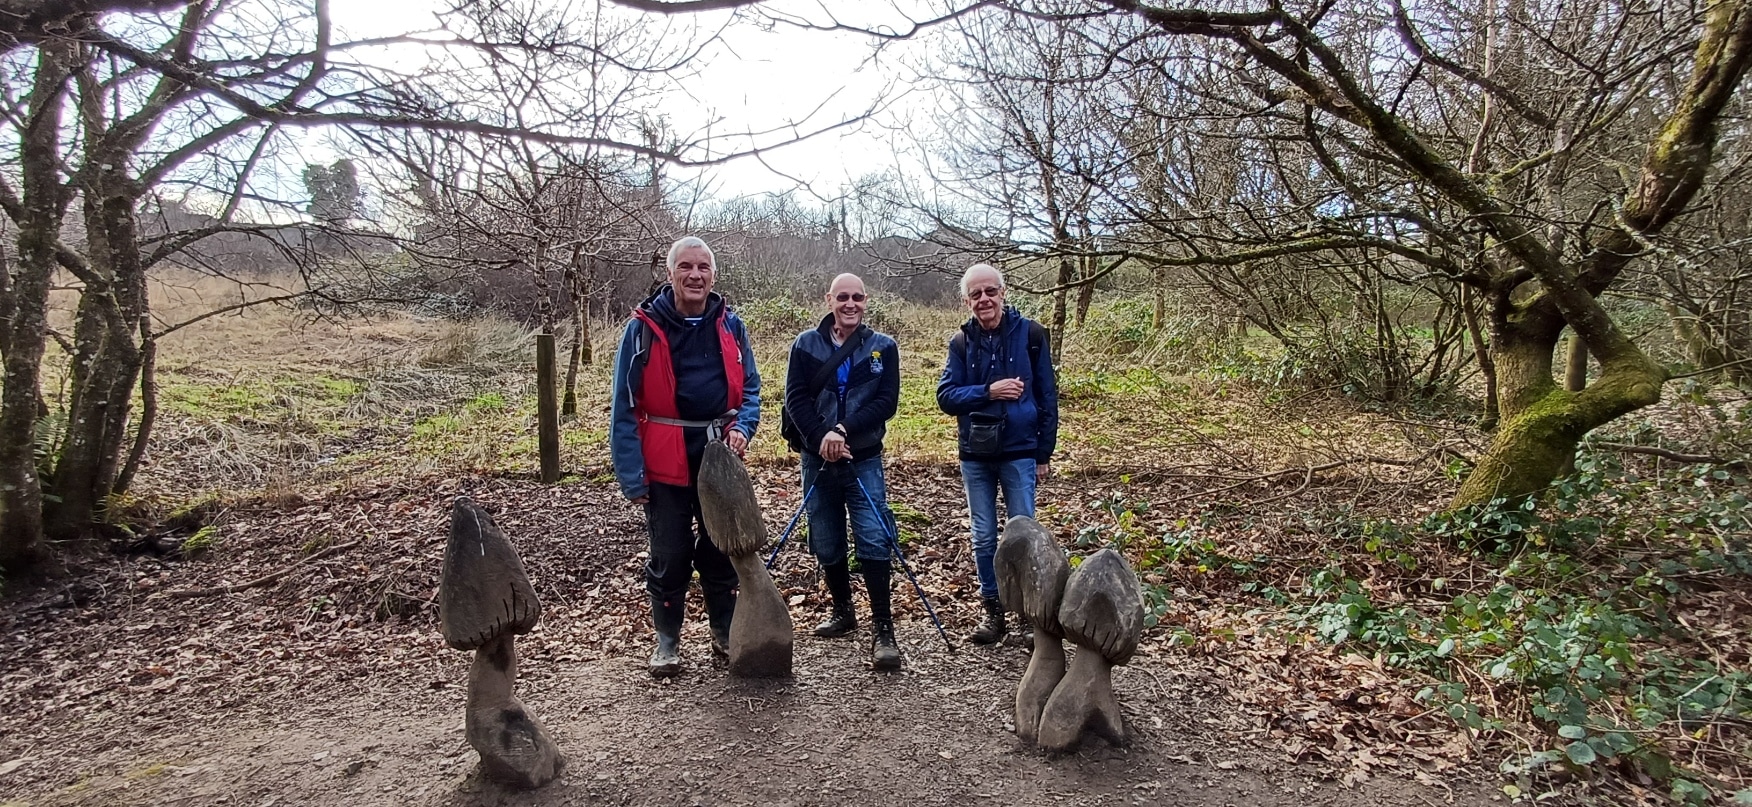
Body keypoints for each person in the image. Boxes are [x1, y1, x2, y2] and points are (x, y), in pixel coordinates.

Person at [610, 236, 762, 678]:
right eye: (686, 267)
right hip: (664, 458)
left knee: (720, 550)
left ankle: (723, 634)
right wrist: (631, 475)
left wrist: (742, 428)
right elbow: (624, 404)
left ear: (713, 275)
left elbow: (751, 389)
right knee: (670, 552)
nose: (695, 275)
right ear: (671, 273)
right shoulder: (642, 328)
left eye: (703, 268)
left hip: (717, 455)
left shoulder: (731, 325)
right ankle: (667, 641)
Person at [783, 273, 903, 670]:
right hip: (816, 457)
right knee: (826, 535)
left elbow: (886, 402)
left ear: (865, 300)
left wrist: (842, 430)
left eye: (857, 297)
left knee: (872, 534)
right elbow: (795, 399)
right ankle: (843, 610)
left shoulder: (883, 347)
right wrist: (821, 438)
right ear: (829, 299)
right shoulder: (805, 344)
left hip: (863, 456)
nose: (850, 304)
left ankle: (883, 627)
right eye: (842, 297)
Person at [935, 263, 1059, 645]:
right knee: (984, 536)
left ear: (1003, 293)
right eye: (976, 294)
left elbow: (1047, 397)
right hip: (976, 453)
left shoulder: (1032, 335)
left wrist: (1043, 453)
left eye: (990, 291)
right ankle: (994, 611)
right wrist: (989, 391)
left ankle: (1026, 614)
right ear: (966, 300)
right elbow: (945, 396)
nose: (984, 299)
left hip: (1020, 451)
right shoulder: (960, 343)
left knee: (1023, 534)